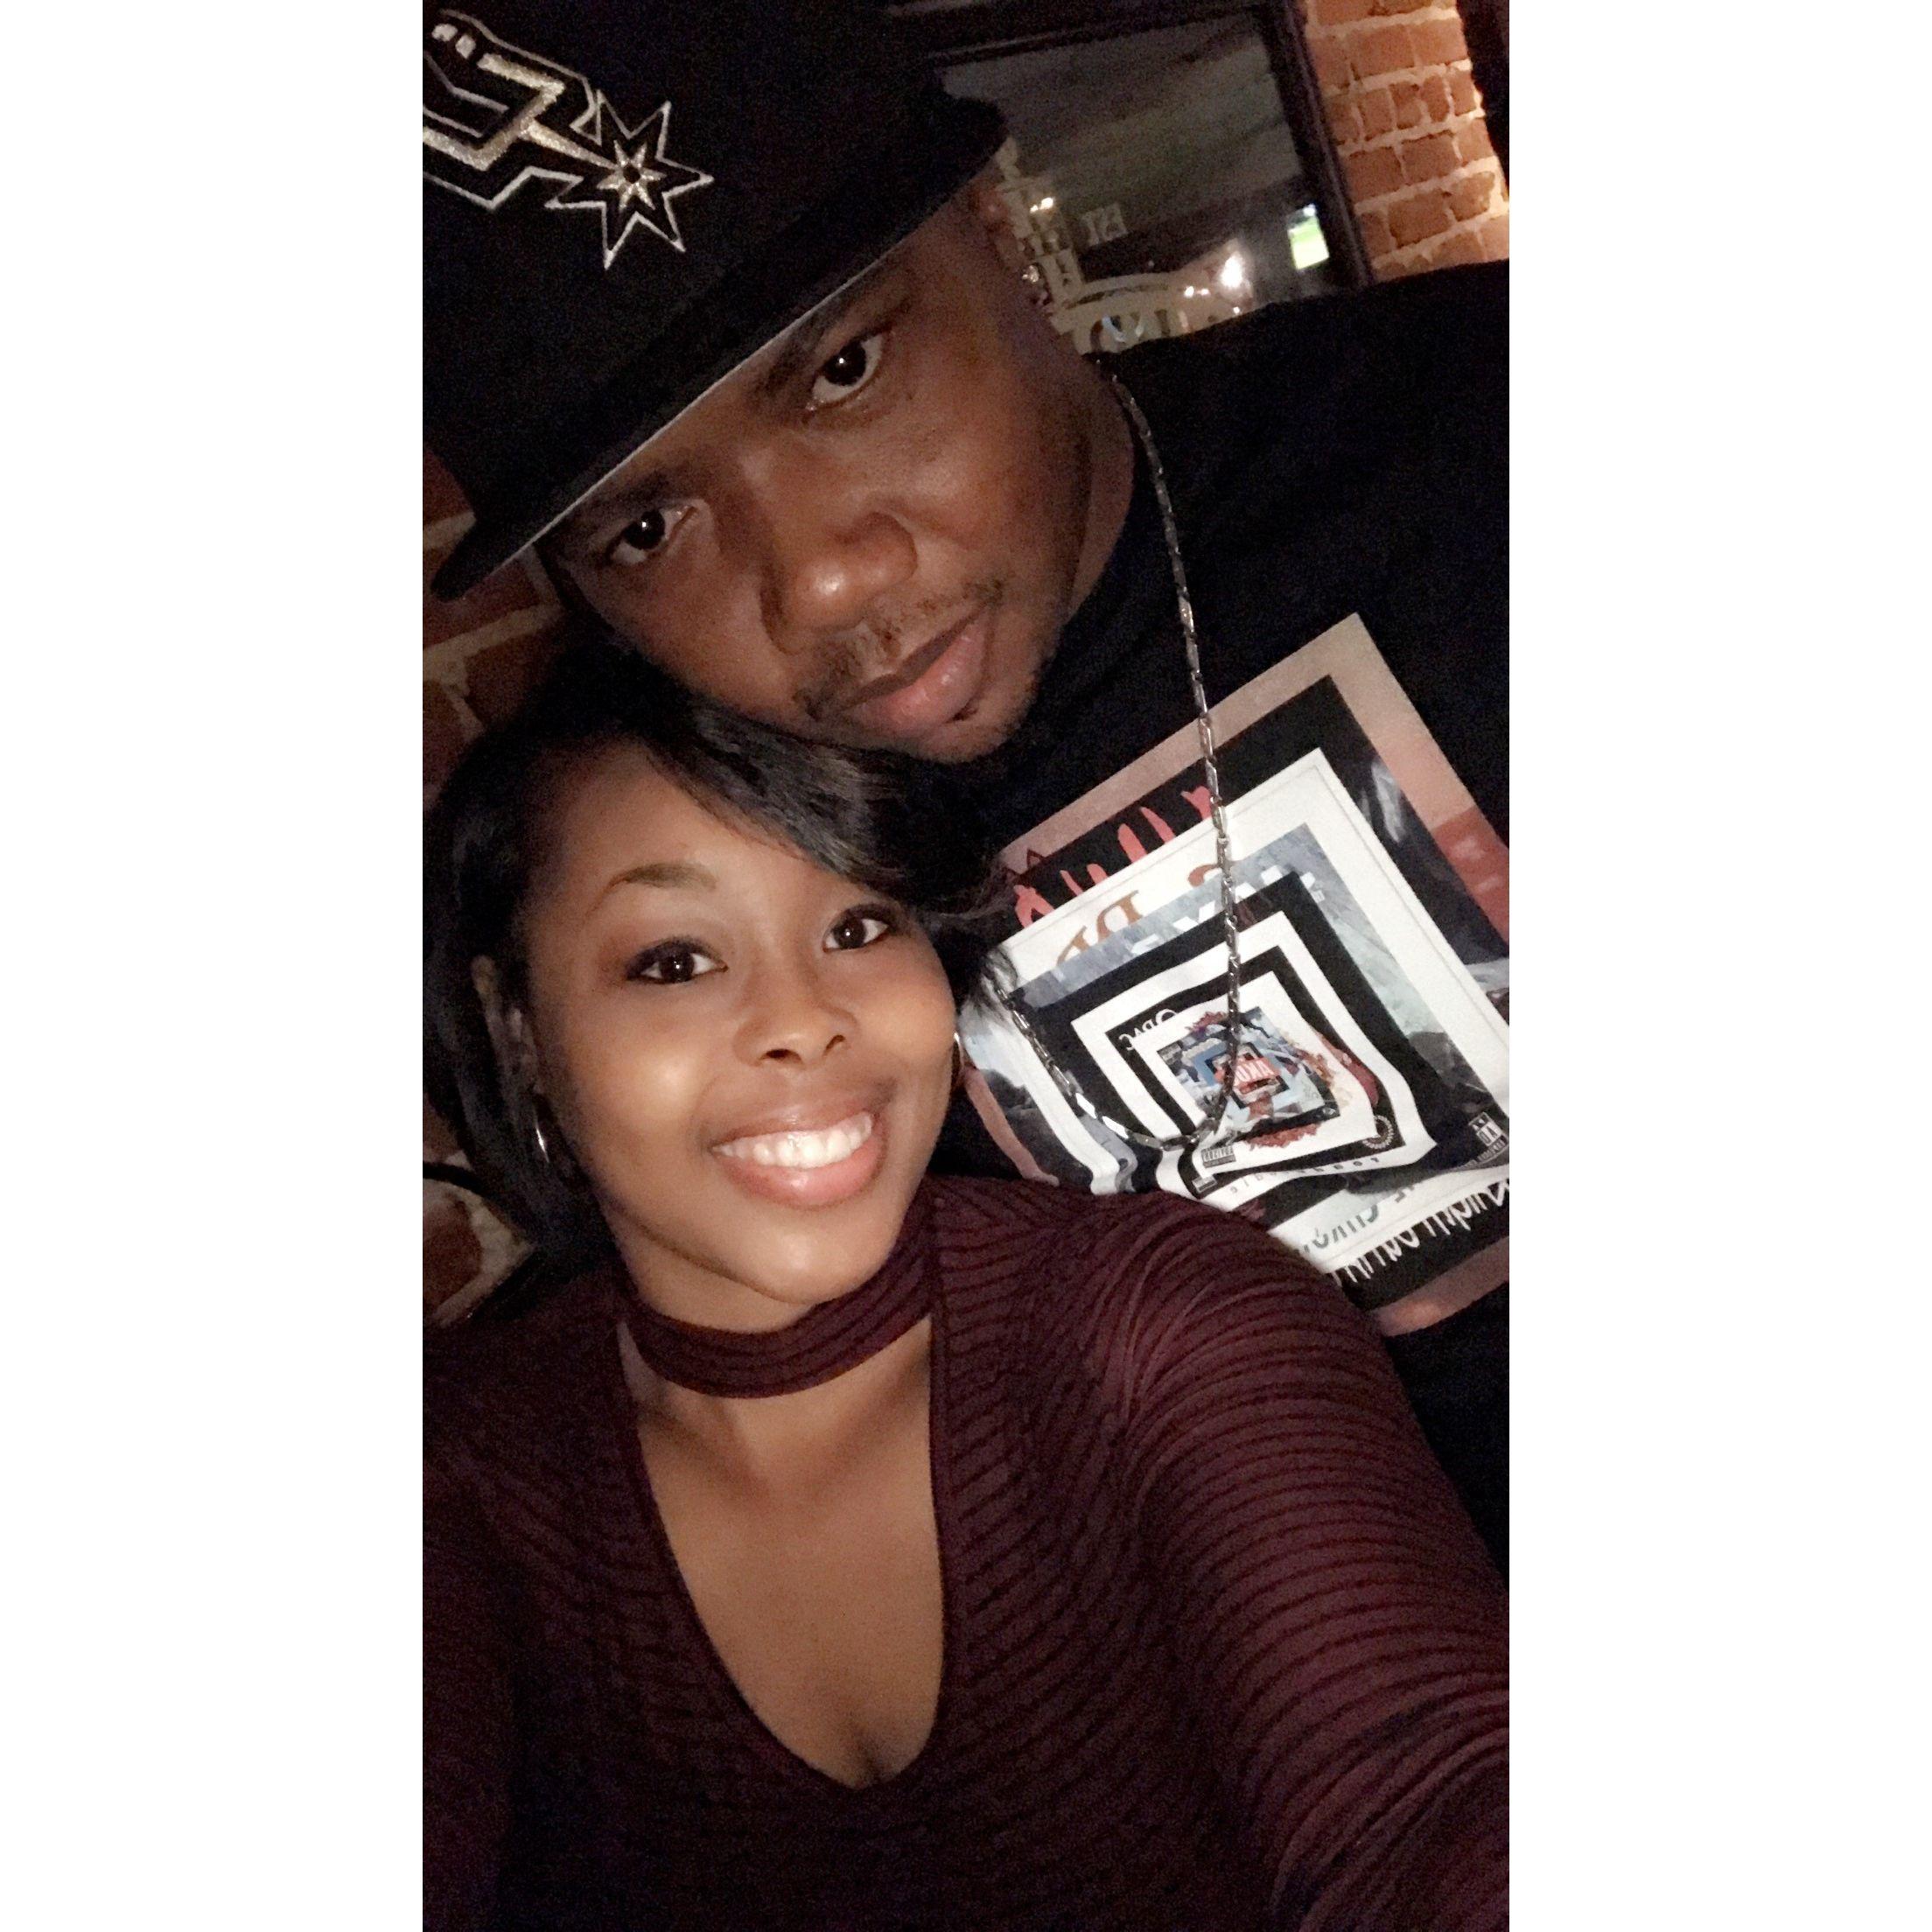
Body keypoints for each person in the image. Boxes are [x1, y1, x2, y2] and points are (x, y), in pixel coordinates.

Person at [424, 1, 1510, 1564]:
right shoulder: (710, 834)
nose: (822, 581)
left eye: (845, 368)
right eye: (648, 529)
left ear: (1002, 237)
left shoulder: (1478, 436)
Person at [423, 638, 1506, 1930]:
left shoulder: (1163, 1321)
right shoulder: (452, 1469)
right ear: (518, 1029)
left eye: (858, 924)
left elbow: (1431, 1800)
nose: (805, 1019)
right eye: (675, 960)